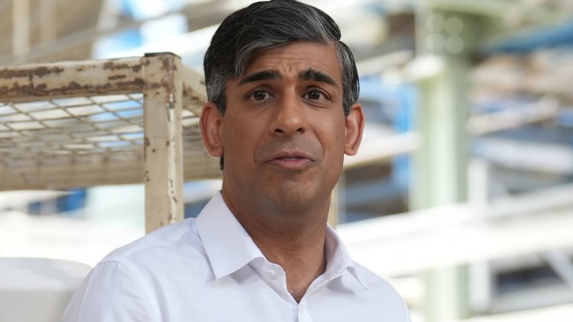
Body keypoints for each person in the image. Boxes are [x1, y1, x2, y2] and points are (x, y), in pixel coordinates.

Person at [64, 1, 411, 321]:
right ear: (215, 129)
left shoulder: (382, 307)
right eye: (260, 94)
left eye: (315, 95)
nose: (289, 120)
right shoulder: (138, 287)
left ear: (351, 130)